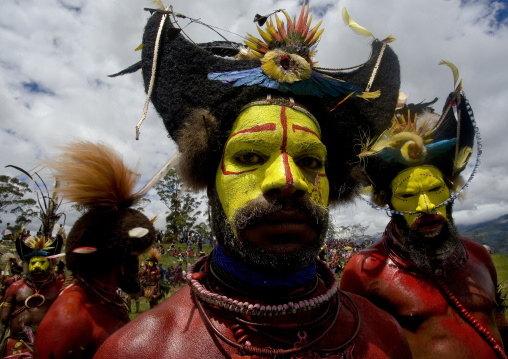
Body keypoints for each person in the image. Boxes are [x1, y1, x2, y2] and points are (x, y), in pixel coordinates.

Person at [95, 4, 410, 358]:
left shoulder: (383, 337)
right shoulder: (139, 351)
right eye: (248, 157)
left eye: (309, 161)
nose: (288, 181)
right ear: (209, 177)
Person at [341, 66, 507, 359]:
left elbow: (499, 324)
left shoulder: (479, 256)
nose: (425, 206)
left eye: (434, 190)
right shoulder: (365, 272)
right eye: (407, 195)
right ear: (386, 200)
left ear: (452, 189)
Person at [32, 141, 157, 359]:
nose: (134, 268)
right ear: (121, 262)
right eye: (134, 259)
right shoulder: (70, 317)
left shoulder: (105, 299)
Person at [0, 235, 63, 357]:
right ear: (27, 264)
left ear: (51, 263)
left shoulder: (60, 288)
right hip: (16, 345)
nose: (37, 266)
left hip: (48, 344)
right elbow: (3, 321)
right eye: (33, 263)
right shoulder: (15, 287)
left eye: (42, 262)